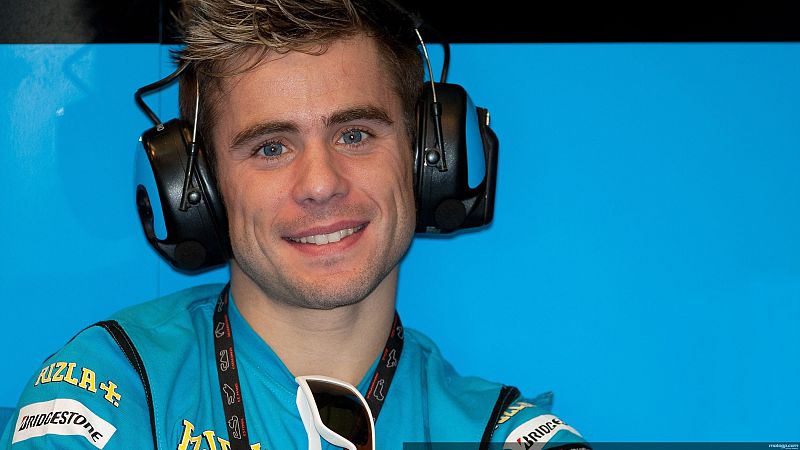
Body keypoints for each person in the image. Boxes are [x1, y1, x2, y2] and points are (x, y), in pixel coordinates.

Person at [1, 0, 591, 449]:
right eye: (270, 147)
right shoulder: (113, 390)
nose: (320, 184)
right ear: (200, 188)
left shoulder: (498, 433)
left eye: (354, 134)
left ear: (427, 159)